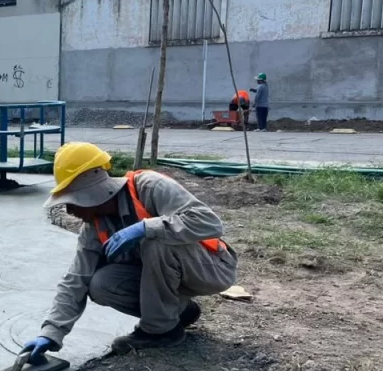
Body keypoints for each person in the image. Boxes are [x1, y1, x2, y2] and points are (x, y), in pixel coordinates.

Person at [23, 142, 239, 359]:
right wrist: (51, 332)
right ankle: (177, 313)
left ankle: (158, 332)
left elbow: (210, 223)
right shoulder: (93, 228)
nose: (69, 210)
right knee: (100, 284)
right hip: (171, 278)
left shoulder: (150, 187)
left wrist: (145, 227)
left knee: (155, 238)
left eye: (71, 202)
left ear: (90, 194)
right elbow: (76, 279)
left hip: (211, 269)